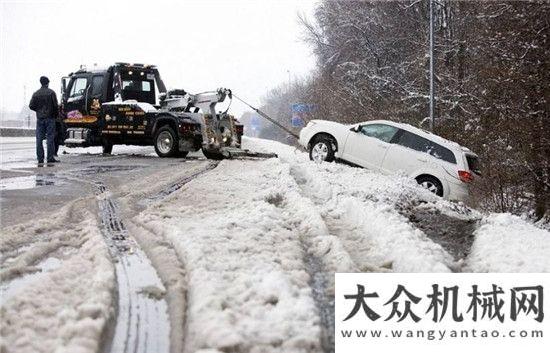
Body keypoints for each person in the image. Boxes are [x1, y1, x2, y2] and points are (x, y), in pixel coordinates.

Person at [29, 76, 59, 164]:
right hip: (50, 118)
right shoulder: (51, 93)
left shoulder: (36, 93)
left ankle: (40, 158)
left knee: (39, 139)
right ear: (47, 83)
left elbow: (31, 106)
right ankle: (50, 157)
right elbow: (55, 106)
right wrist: (55, 116)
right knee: (50, 138)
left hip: (40, 119)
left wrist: (38, 110)